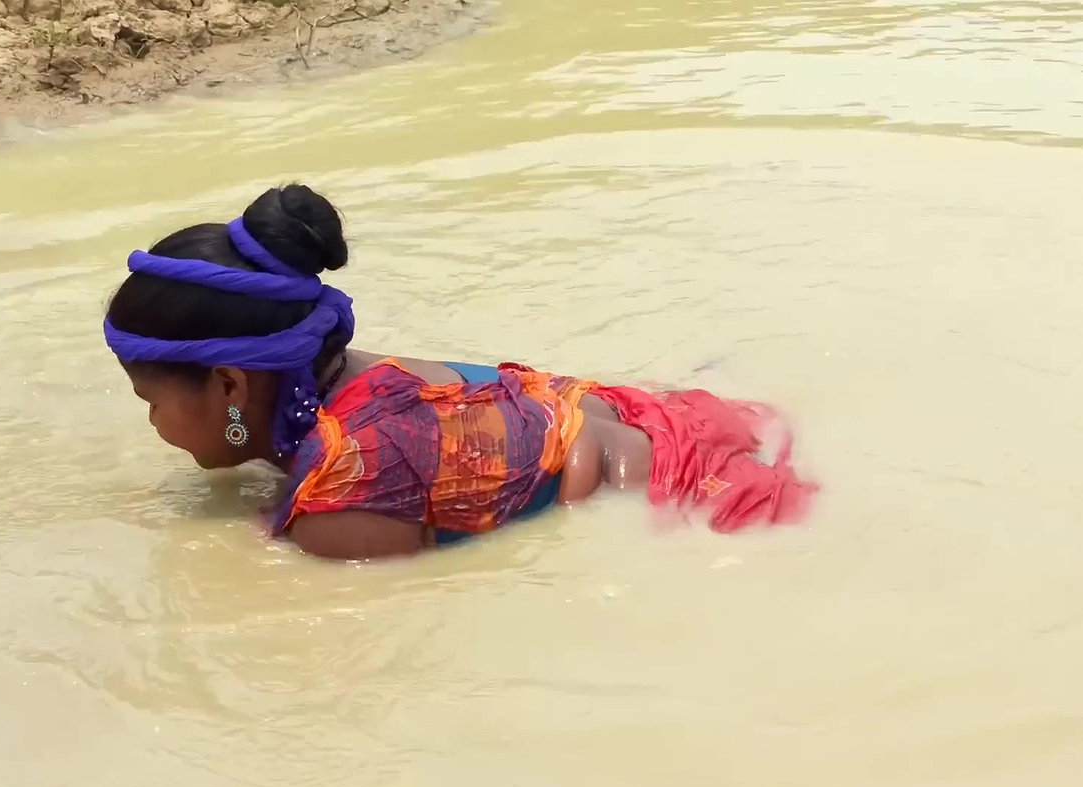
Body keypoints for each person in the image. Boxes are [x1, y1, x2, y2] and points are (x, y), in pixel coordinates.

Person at [103, 184, 818, 560]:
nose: (152, 423)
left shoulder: (341, 494)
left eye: (149, 401)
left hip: (700, 498)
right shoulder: (358, 375)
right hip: (652, 415)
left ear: (230, 386)